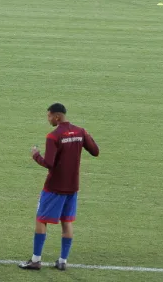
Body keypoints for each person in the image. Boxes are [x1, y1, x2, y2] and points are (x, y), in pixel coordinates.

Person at [19, 103, 99, 272]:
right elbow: (95, 151)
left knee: (41, 219)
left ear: (56, 116)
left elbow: (49, 163)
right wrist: (87, 136)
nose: (48, 119)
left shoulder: (53, 136)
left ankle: (35, 260)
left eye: (49, 116)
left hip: (54, 186)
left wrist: (35, 155)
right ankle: (62, 261)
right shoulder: (80, 132)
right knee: (67, 221)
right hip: (72, 187)